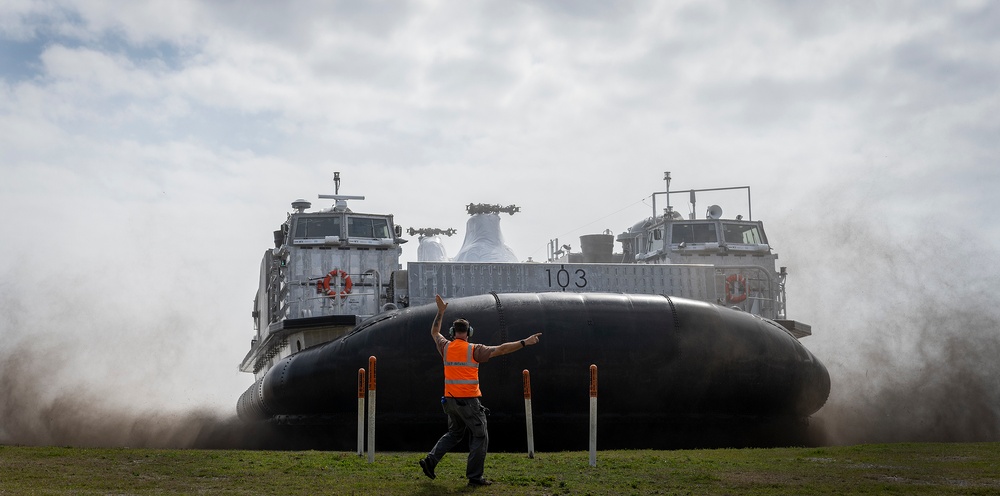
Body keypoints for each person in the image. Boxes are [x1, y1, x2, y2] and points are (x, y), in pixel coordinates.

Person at [419, 294, 541, 487]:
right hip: (468, 402)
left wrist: (440, 312)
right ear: (469, 332)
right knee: (480, 436)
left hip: (450, 401)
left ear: (452, 332)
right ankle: (475, 477)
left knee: (454, 434)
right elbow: (501, 349)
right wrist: (525, 342)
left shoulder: (445, 347)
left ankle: (430, 461)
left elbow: (434, 332)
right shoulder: (474, 349)